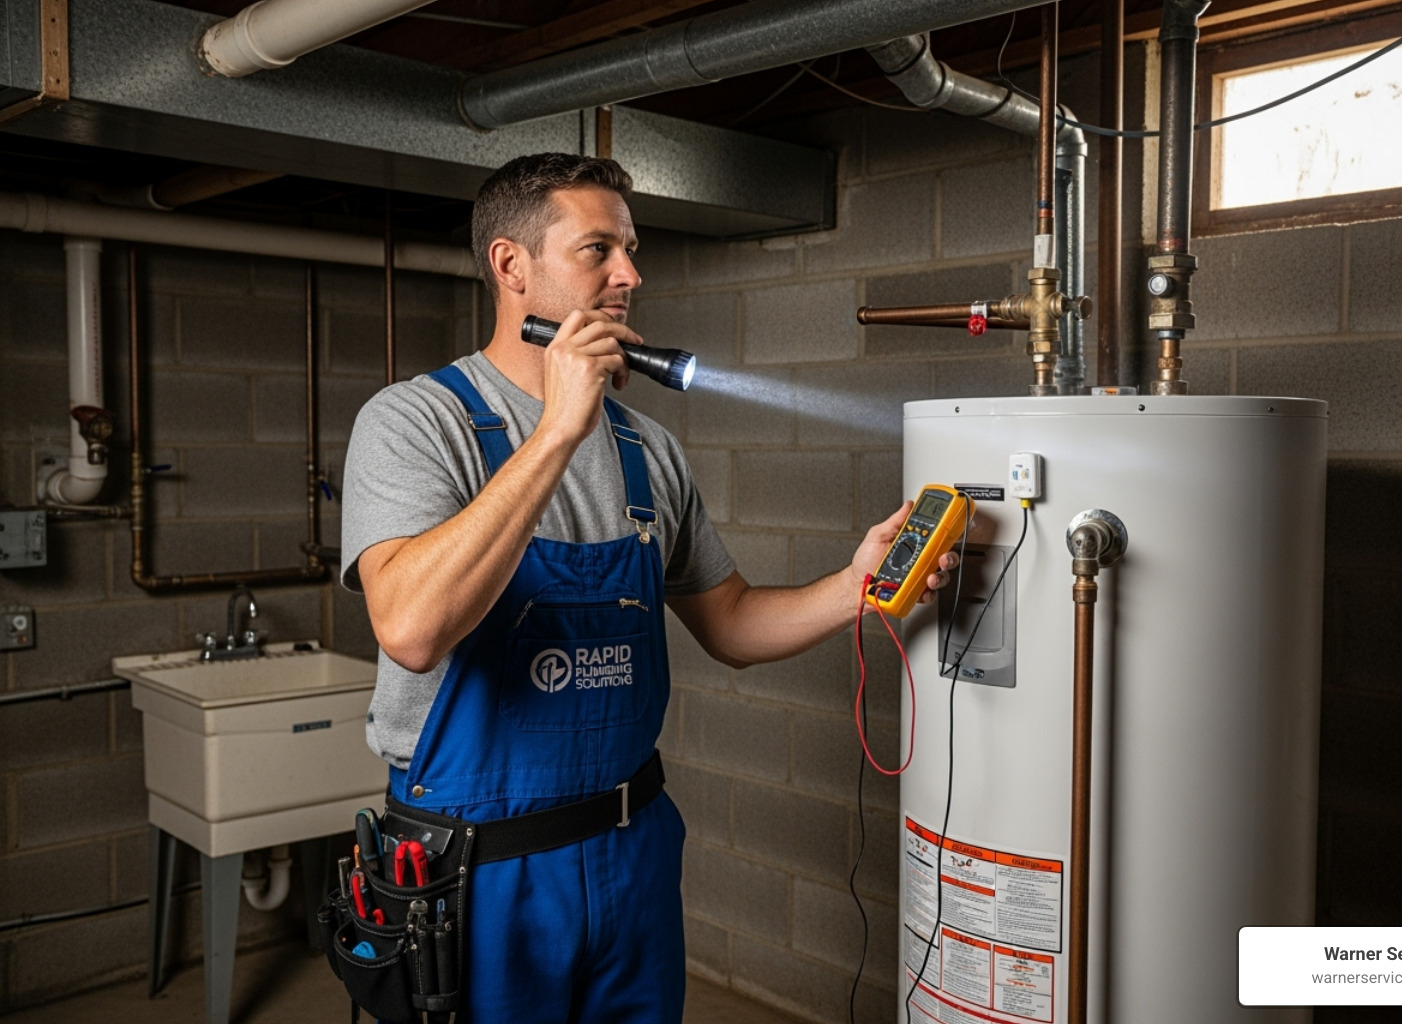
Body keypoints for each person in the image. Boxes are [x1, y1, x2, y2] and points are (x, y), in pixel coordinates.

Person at [340, 152, 957, 1024]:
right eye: (598, 249)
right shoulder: (416, 422)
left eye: (630, 250)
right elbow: (410, 628)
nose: (630, 275)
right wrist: (558, 429)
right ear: (511, 265)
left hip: (629, 853)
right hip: (479, 871)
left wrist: (856, 587)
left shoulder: (646, 451)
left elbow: (732, 623)